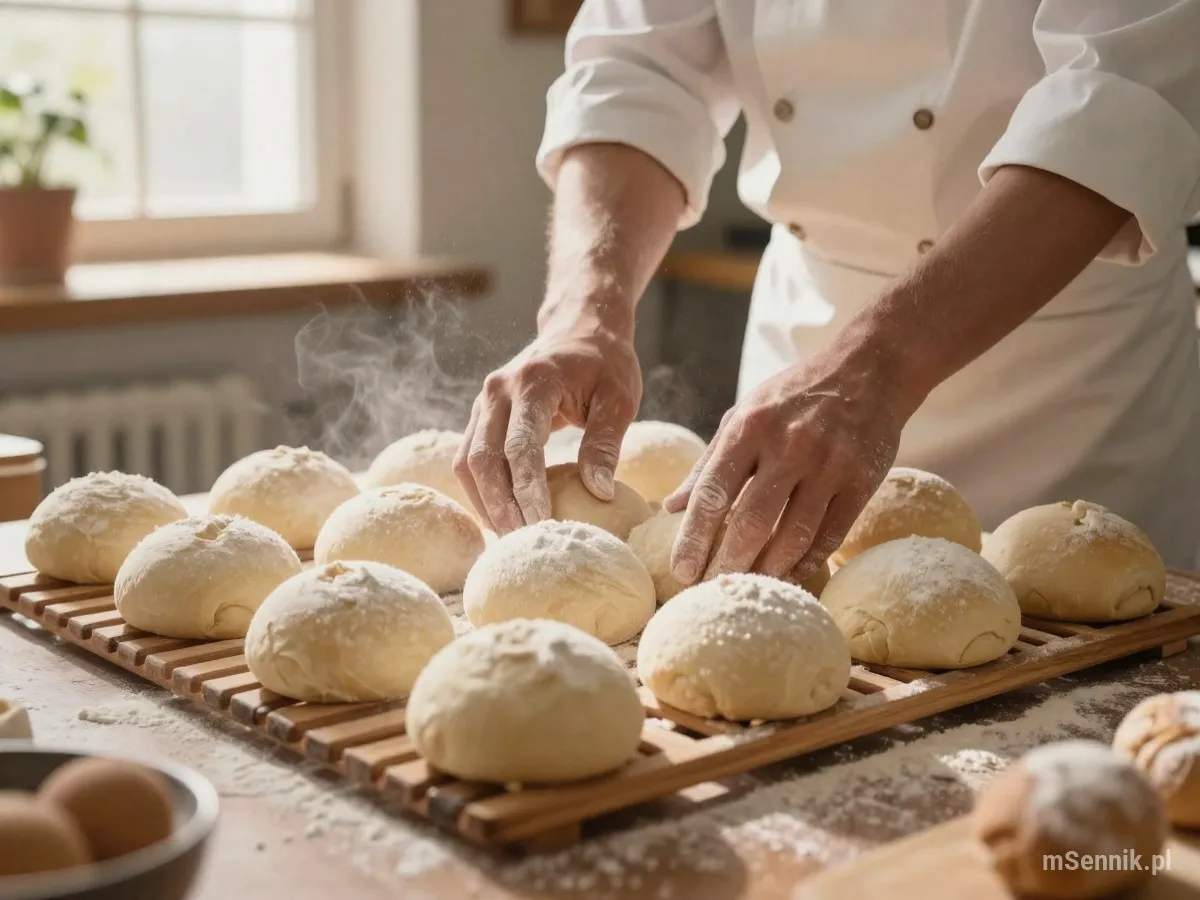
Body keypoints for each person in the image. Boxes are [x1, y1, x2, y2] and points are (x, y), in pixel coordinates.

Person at [454, 1, 1200, 583]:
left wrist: (878, 365)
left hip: (1069, 380)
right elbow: (638, 71)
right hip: (804, 347)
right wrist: (584, 315)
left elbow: (1119, 102)